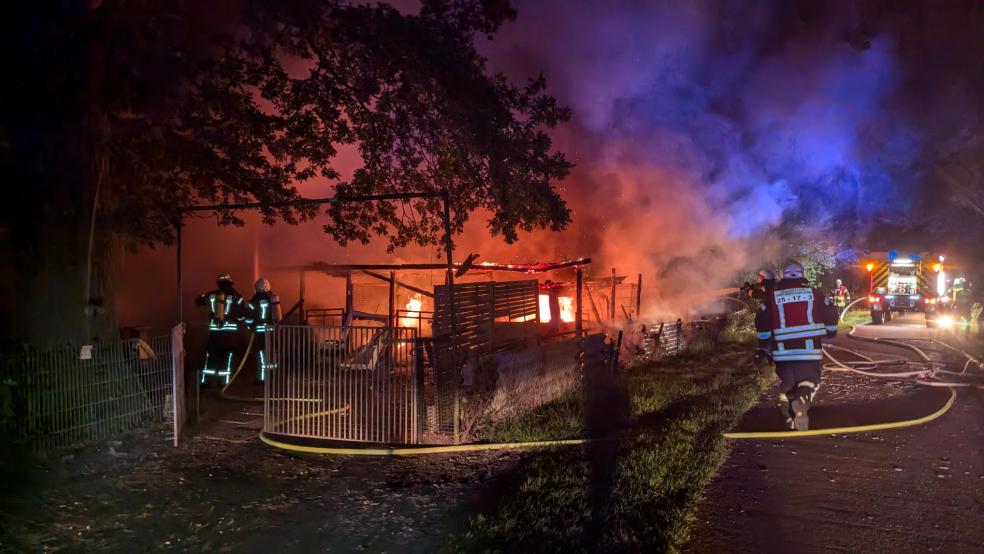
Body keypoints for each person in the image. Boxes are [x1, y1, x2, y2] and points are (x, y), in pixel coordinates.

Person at [755, 261, 839, 431]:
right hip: (809, 351)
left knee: (787, 386)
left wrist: (764, 344)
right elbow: (830, 312)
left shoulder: (773, 296)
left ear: (781, 274)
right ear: (803, 273)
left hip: (782, 353)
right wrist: (831, 331)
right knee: (809, 383)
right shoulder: (815, 293)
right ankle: (801, 401)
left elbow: (762, 320)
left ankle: (788, 420)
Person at [195, 273, 245, 386]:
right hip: (229, 335)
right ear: (230, 283)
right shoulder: (238, 297)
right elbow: (241, 316)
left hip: (215, 333)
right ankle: (224, 383)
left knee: (211, 357)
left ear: (219, 284)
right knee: (226, 359)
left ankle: (207, 382)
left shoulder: (212, 295)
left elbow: (199, 300)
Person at [244, 277, 282, 382]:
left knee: (261, 356)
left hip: (259, 334)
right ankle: (274, 378)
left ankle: (262, 379)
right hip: (272, 332)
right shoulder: (273, 299)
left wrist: (249, 327)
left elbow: (248, 319)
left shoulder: (253, 302)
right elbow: (278, 318)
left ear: (256, 288)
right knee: (273, 355)